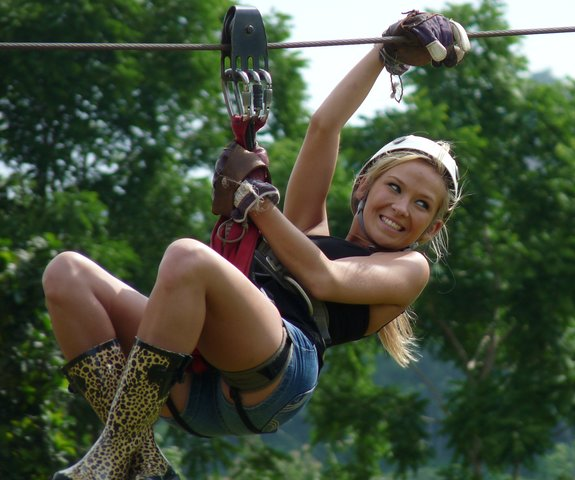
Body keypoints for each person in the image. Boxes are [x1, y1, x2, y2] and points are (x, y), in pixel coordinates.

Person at [44, 10, 470, 480]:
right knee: (66, 274)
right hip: (190, 377)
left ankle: (115, 449)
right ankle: (137, 456)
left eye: (422, 205)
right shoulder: (309, 230)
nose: (402, 207)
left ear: (431, 228)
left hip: (275, 376)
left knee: (188, 258)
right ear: (364, 186)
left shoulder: (409, 269)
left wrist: (258, 205)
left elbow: (323, 277)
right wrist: (382, 54)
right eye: (395, 188)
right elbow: (324, 126)